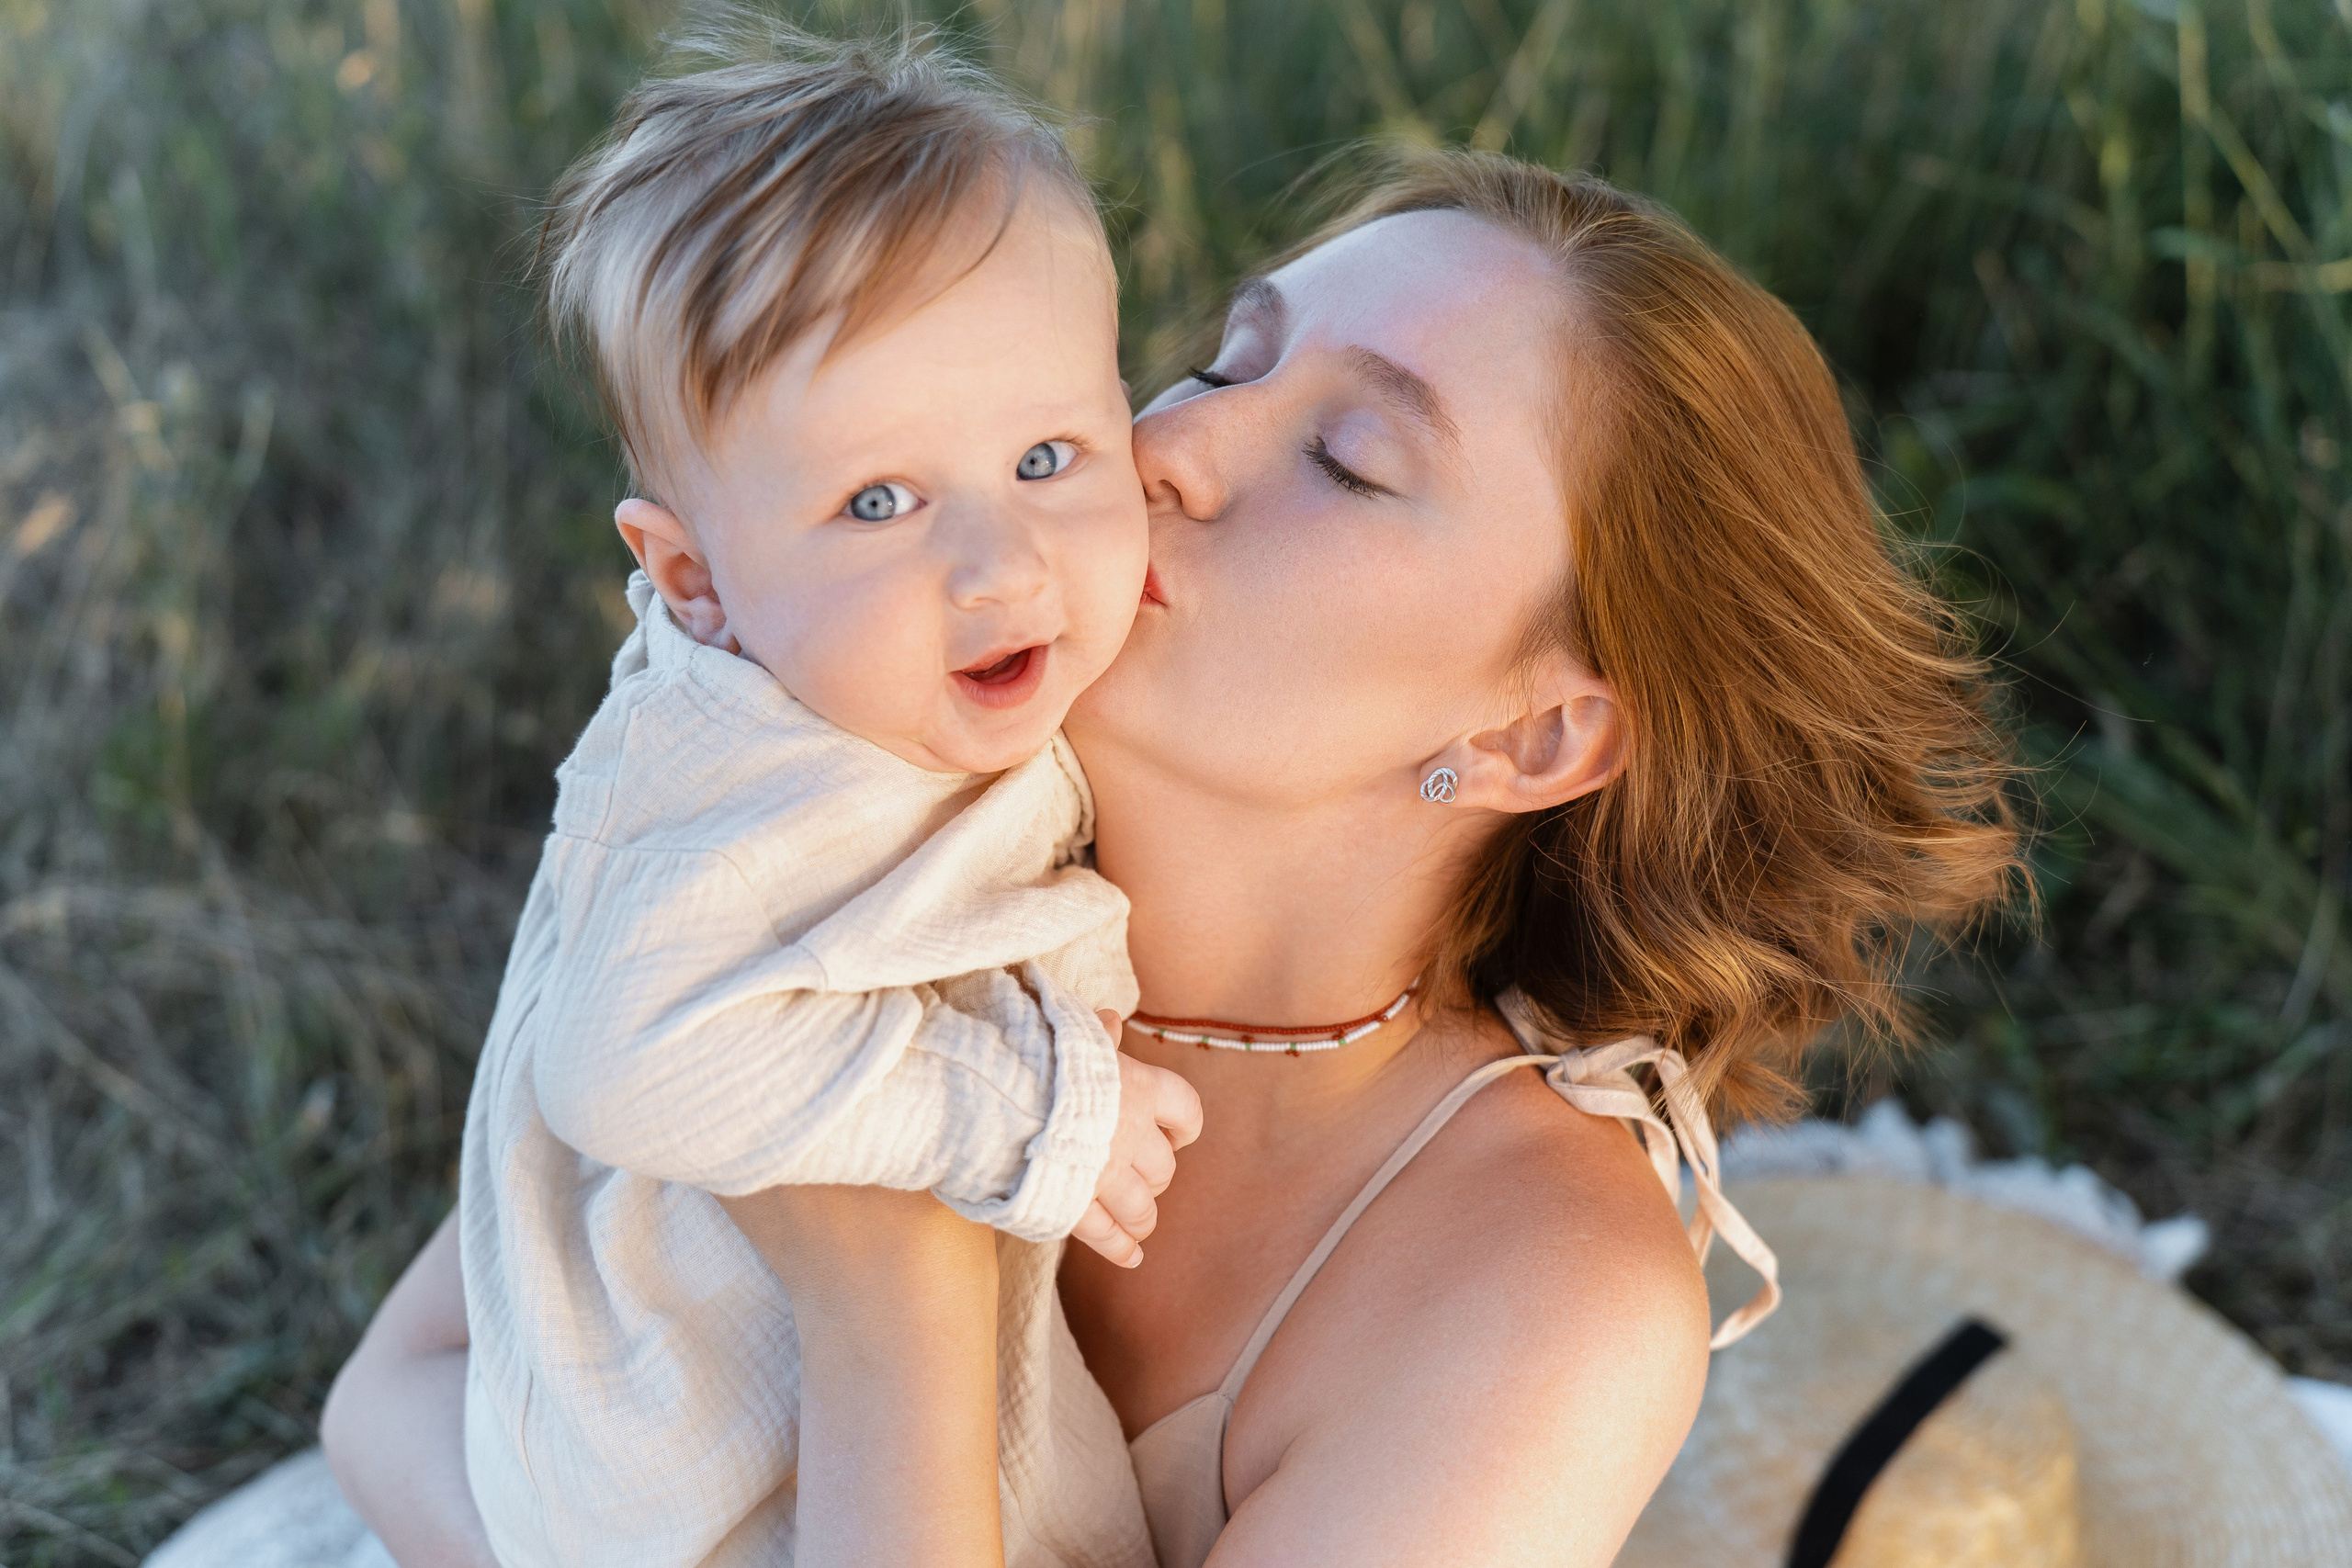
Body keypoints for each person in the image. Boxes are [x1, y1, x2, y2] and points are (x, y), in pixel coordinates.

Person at [322, 146, 2020, 1568]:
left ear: (1530, 737)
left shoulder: (1538, 1304)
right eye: (1219, 361)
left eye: (1346, 463)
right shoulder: (871, 816)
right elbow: (397, 1392)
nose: (1174, 453)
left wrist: (893, 1296)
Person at [435, 26, 1204, 1568]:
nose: (999, 565)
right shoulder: (748, 781)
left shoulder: (865, 675)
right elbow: (615, 1062)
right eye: (878, 502)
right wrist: (1027, 1106)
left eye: (1048, 455)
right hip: (700, 1495)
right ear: (696, 581)